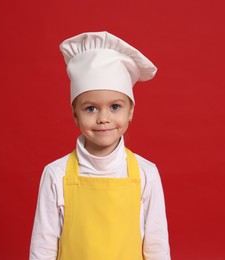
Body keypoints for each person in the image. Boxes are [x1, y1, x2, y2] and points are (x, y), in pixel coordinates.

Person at [30, 31, 170, 260]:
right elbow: (43, 247)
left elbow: (156, 247)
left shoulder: (147, 173)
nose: (103, 118)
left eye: (115, 107)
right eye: (90, 108)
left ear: (131, 111)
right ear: (75, 114)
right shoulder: (56, 174)